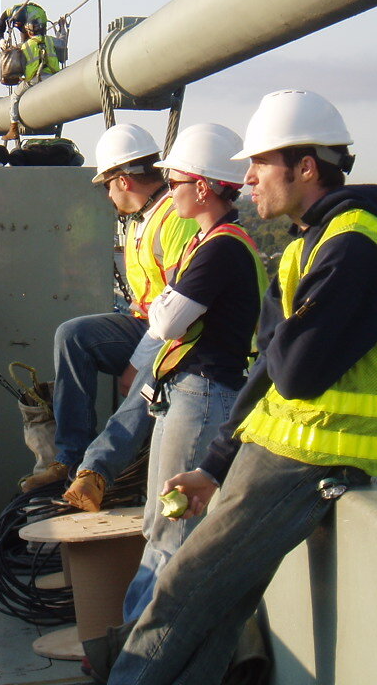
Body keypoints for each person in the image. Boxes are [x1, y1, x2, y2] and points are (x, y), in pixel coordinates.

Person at [104, 90, 377, 685]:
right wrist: (215, 466)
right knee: (217, 611)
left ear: (305, 167)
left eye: (259, 164)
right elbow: (267, 370)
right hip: (283, 452)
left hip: (318, 459)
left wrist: (280, 335)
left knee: (182, 594)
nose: (246, 178)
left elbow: (295, 371)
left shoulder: (356, 247)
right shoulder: (309, 244)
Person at [106, 124, 265, 625]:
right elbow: (168, 313)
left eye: (173, 181)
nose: (166, 189)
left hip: (203, 395)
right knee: (159, 521)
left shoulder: (221, 248)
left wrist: (169, 304)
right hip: (188, 392)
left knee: (171, 532)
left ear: (202, 187)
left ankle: (138, 652)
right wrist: (169, 305)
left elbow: (167, 319)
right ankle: (133, 645)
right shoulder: (207, 244)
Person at [20, 124, 197, 492]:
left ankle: (95, 472)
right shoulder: (142, 220)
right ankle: (69, 456)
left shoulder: (175, 219)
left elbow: (183, 306)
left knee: (142, 384)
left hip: (180, 336)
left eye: (106, 184)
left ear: (123, 181)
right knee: (74, 335)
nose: (106, 194)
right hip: (147, 325)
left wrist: (137, 361)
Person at [0, 2, 60, 143]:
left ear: (28, 30)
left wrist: (7, 48)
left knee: (14, 97)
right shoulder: (50, 41)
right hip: (54, 78)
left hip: (35, 80)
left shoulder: (26, 46)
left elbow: (19, 63)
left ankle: (13, 129)